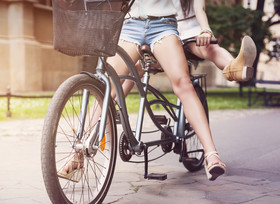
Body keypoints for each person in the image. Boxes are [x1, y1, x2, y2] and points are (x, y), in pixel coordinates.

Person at [59, 0, 255, 181]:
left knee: (184, 85)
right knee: (107, 87)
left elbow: (198, 8)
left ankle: (211, 154)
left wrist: (205, 28)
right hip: (130, 27)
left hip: (163, 27)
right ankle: (78, 155)